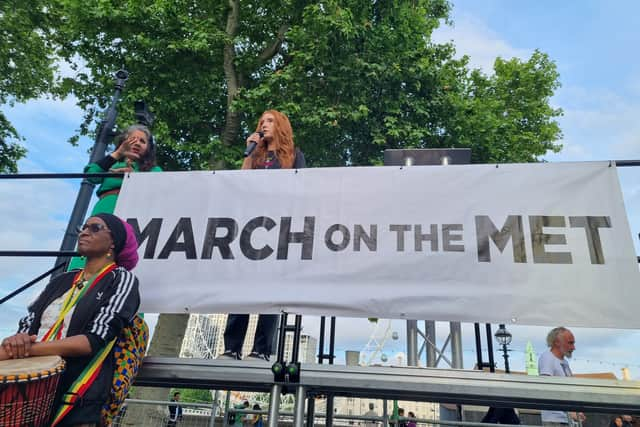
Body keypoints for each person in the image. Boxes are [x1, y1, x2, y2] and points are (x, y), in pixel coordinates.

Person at [0, 213, 141, 426]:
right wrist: (18, 340)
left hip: (77, 395)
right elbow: (29, 323)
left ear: (114, 242)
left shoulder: (121, 279)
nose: (84, 232)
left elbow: (93, 340)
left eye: (95, 228)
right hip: (28, 390)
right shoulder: (63, 280)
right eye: (83, 227)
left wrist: (28, 349)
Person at [219, 110, 306, 361]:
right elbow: (242, 184)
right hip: (250, 225)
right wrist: (249, 150)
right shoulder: (255, 154)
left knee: (270, 286)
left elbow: (303, 189)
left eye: (269, 121)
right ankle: (232, 346)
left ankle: (262, 349)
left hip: (278, 225)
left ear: (280, 125)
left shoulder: (293, 155)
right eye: (261, 122)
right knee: (241, 284)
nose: (263, 125)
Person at [68, 124, 161, 271]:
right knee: (93, 239)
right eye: (132, 139)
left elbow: (161, 190)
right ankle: (77, 274)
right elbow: (90, 176)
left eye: (142, 141)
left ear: (148, 148)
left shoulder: (153, 170)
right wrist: (117, 154)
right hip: (106, 208)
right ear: (123, 142)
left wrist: (134, 179)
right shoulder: (111, 163)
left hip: (134, 213)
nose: (137, 143)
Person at [538, 327, 586, 427]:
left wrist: (575, 411)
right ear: (557, 342)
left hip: (566, 419)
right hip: (555, 420)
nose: (573, 347)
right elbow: (546, 388)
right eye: (570, 343)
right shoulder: (547, 358)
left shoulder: (564, 362)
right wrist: (569, 412)